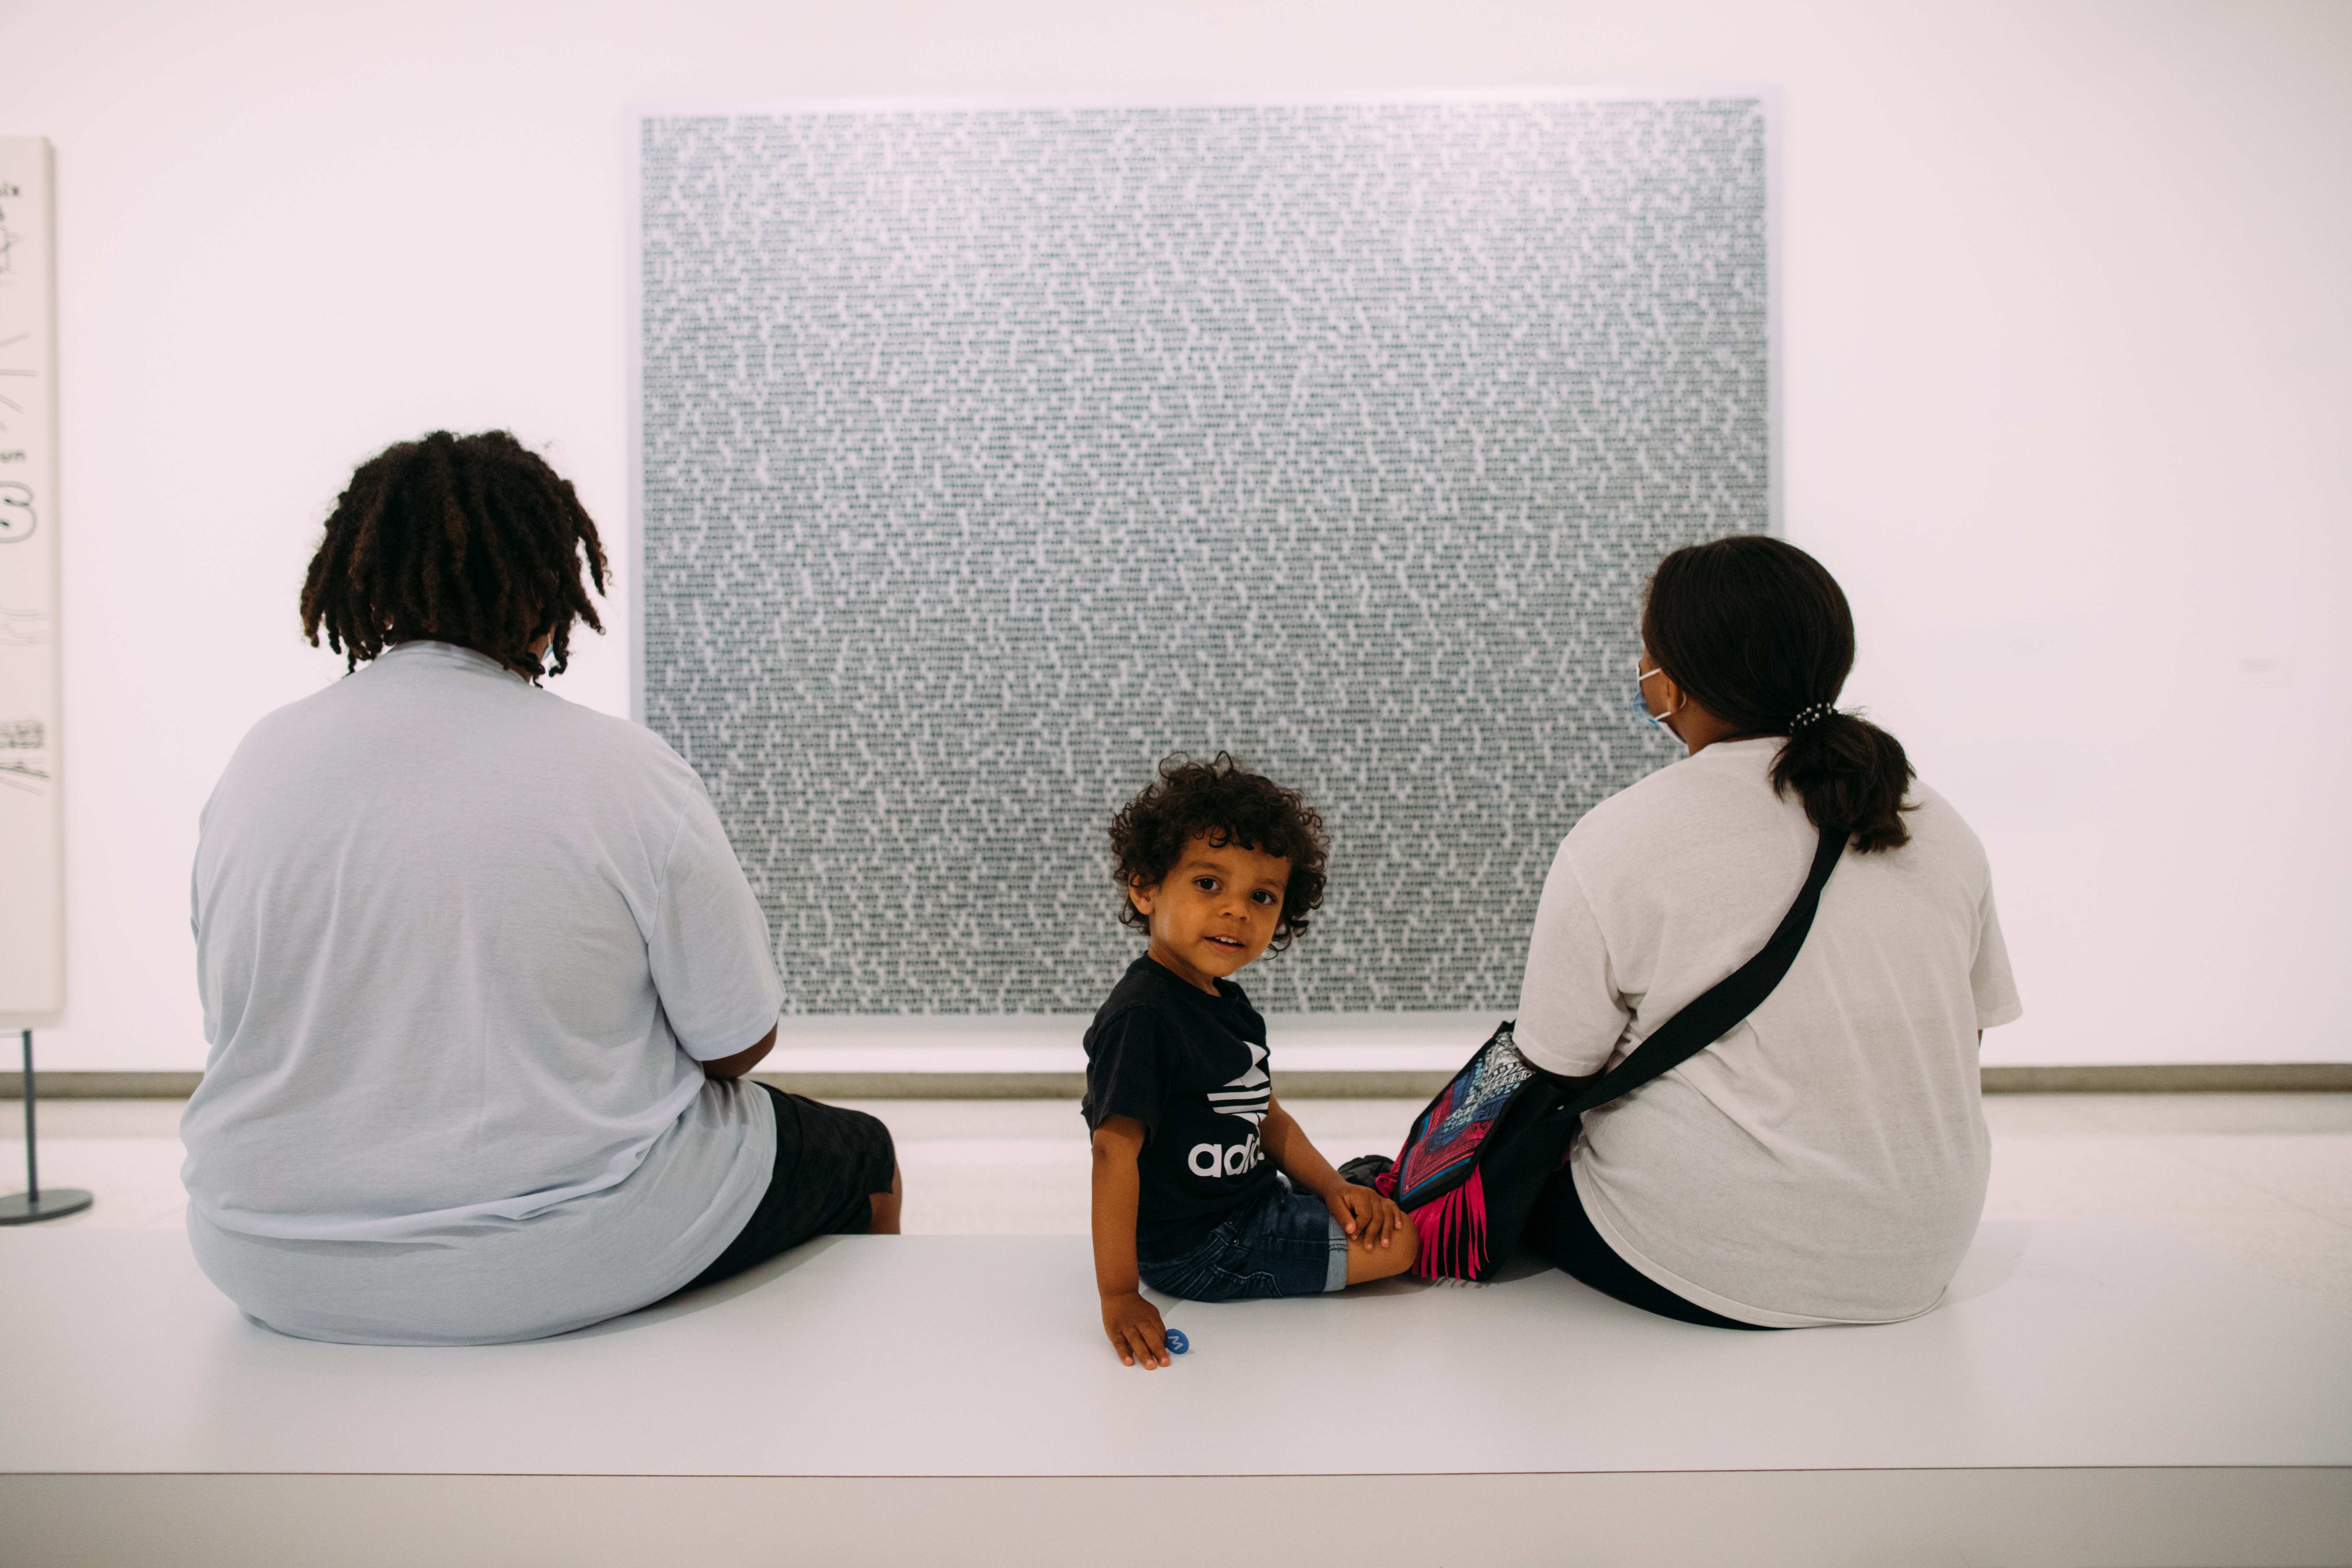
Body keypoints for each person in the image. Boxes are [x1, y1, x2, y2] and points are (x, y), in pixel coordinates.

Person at [181, 430, 899, 1346]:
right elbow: (737, 1045)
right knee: (861, 1153)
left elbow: (238, 1012)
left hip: (258, 1250)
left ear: (364, 580)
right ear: (546, 592)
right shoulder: (623, 770)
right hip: (553, 1253)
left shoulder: (258, 761)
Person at [1514, 535, 2020, 1329]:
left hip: (1702, 1254)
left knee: (1513, 1184)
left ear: (1671, 681)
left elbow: (1554, 1061)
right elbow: (1970, 1031)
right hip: (1923, 1248)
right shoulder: (1937, 822)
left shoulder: (1618, 837)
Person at [1083, 755, 1416, 1370]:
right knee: (1402, 1246)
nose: (1237, 909)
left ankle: (1345, 1190)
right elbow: (1112, 1154)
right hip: (1202, 1247)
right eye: (1209, 884)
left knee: (1379, 1188)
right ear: (1145, 885)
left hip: (1251, 1204)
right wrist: (1120, 1294)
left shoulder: (1226, 1003)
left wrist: (1332, 1186)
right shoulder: (1143, 1017)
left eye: (1261, 896)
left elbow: (1269, 1119)